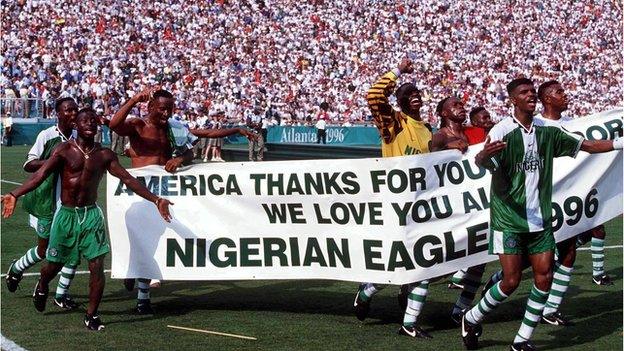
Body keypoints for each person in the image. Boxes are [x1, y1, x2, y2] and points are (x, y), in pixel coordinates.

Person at [461, 78, 622, 351]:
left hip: (539, 218)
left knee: (544, 276)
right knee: (511, 281)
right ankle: (472, 316)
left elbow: (589, 146)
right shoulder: (502, 131)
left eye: (533, 92)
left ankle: (522, 340)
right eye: (524, 92)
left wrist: (620, 143)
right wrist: (481, 157)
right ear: (513, 99)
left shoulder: (547, 130)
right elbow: (486, 164)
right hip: (508, 219)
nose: (531, 96)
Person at [1, 108, 173, 331]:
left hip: (91, 216)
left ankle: (91, 315)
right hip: (66, 216)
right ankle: (42, 285)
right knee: (52, 266)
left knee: (96, 266)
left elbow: (128, 180)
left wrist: (155, 199)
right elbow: (40, 174)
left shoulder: (105, 155)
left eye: (94, 120)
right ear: (76, 125)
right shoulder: (64, 150)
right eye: (85, 120)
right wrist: (15, 194)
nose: (90, 123)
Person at [109, 87, 256, 313]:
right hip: (138, 191)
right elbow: (114, 125)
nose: (166, 114)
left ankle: (143, 298)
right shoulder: (138, 125)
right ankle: (134, 274)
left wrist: (180, 158)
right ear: (149, 107)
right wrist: (134, 99)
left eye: (170, 109)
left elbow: (200, 137)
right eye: (161, 110)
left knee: (155, 240)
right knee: (138, 240)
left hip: (165, 191)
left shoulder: (174, 129)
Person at [354, 58, 436, 339]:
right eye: (406, 94)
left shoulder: (427, 129)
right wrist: (398, 71)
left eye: (416, 94)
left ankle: (409, 322)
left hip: (422, 204)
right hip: (396, 202)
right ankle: (367, 290)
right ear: (398, 102)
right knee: (396, 261)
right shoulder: (394, 124)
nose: (414, 96)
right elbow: (374, 95)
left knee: (425, 261)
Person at [5, 97, 82, 309]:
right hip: (46, 202)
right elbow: (28, 164)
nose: (73, 114)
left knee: (74, 250)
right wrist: (54, 161)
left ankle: (61, 294)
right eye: (68, 111)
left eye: (75, 110)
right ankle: (16, 269)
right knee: (44, 250)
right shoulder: (47, 136)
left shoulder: (79, 137)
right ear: (57, 113)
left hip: (71, 204)